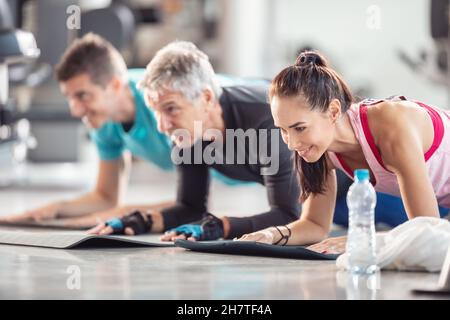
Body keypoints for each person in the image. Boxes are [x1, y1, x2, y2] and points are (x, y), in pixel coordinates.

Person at [238, 50, 450, 253]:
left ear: (333, 111)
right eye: (283, 130)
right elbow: (315, 224)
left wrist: (359, 241)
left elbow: (427, 233)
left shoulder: (392, 127)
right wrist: (271, 235)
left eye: (299, 128)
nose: (292, 144)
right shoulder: (319, 149)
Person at [89, 41, 304, 240]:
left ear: (207, 98)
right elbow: (190, 207)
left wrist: (221, 227)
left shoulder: (266, 118)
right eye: (156, 112)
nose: (162, 126)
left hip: (335, 196)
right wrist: (141, 220)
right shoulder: (188, 134)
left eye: (171, 108)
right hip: (316, 206)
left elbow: (289, 216)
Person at [0, 33, 177, 228]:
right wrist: (55, 209)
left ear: (115, 85)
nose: (75, 111)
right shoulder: (105, 121)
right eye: (70, 98)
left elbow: (195, 204)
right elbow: (106, 197)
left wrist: (118, 215)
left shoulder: (167, 105)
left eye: (83, 96)